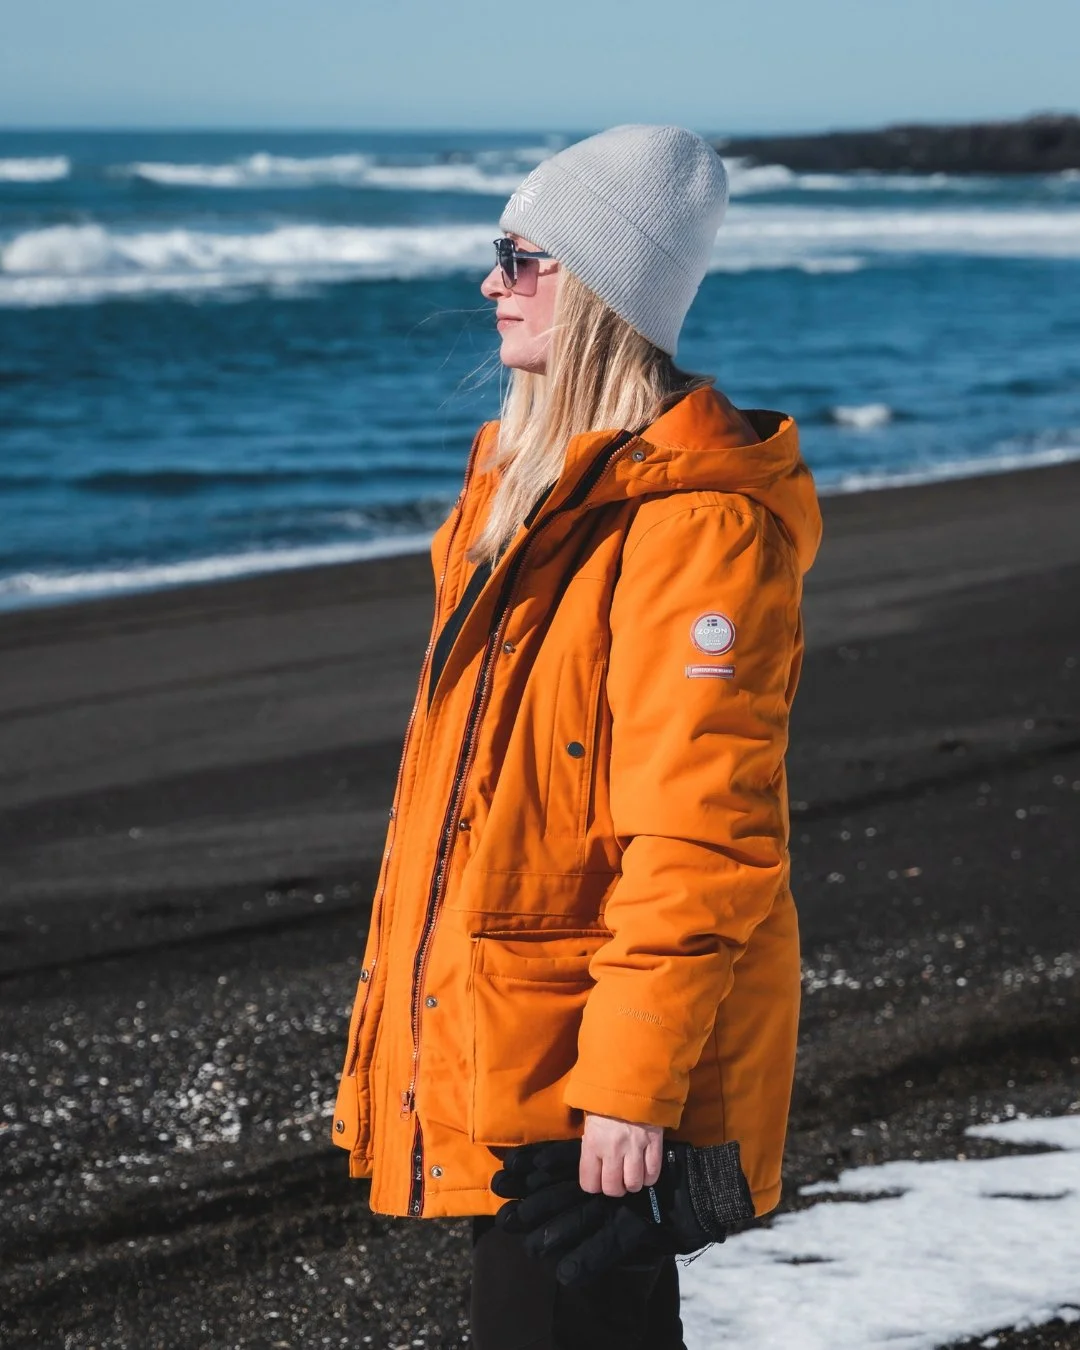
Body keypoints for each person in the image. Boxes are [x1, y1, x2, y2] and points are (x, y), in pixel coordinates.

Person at [331, 124, 823, 1349]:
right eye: (498, 252)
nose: (490, 282)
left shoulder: (694, 532)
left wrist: (629, 1092)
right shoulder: (523, 498)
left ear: (605, 286)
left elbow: (703, 838)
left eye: (524, 256)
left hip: (586, 1078)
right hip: (519, 1038)